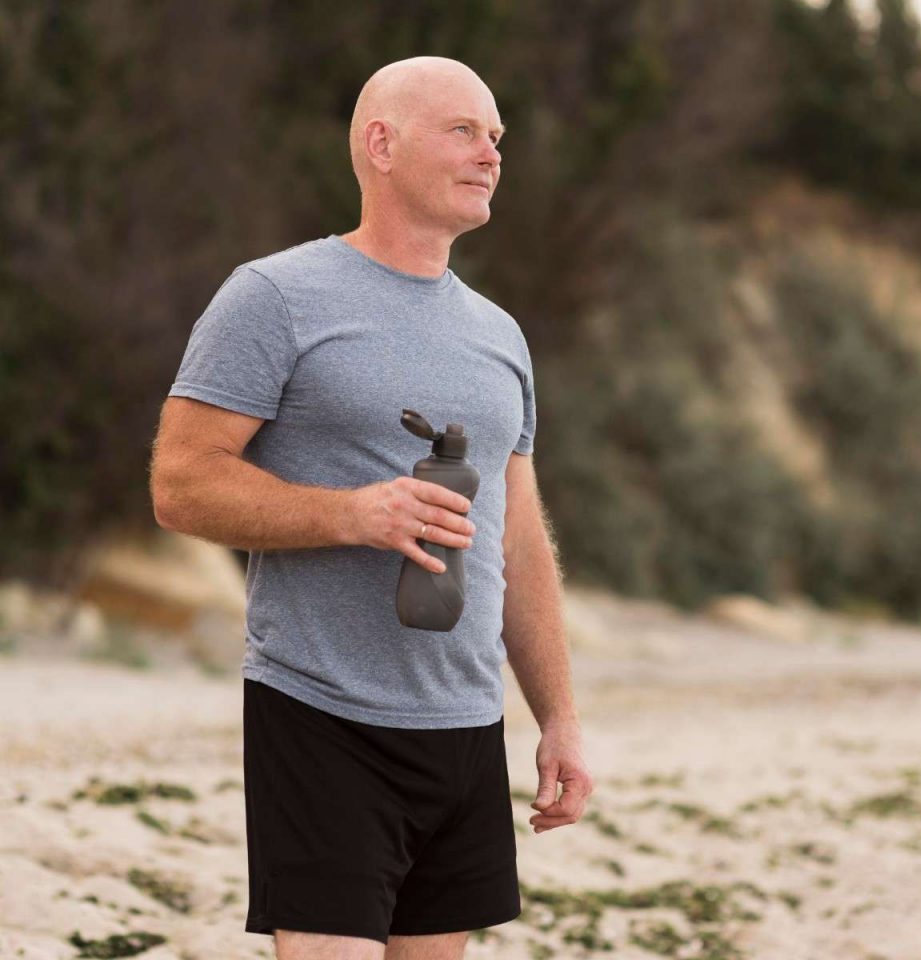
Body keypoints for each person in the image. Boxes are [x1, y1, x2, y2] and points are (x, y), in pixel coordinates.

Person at [149, 56, 593, 960]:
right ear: (380, 143)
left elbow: (518, 540)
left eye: (497, 137)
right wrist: (353, 515)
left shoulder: (499, 335)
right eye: (464, 131)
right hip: (321, 714)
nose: (492, 153)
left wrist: (559, 718)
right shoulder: (273, 297)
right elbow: (180, 483)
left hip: (465, 727)